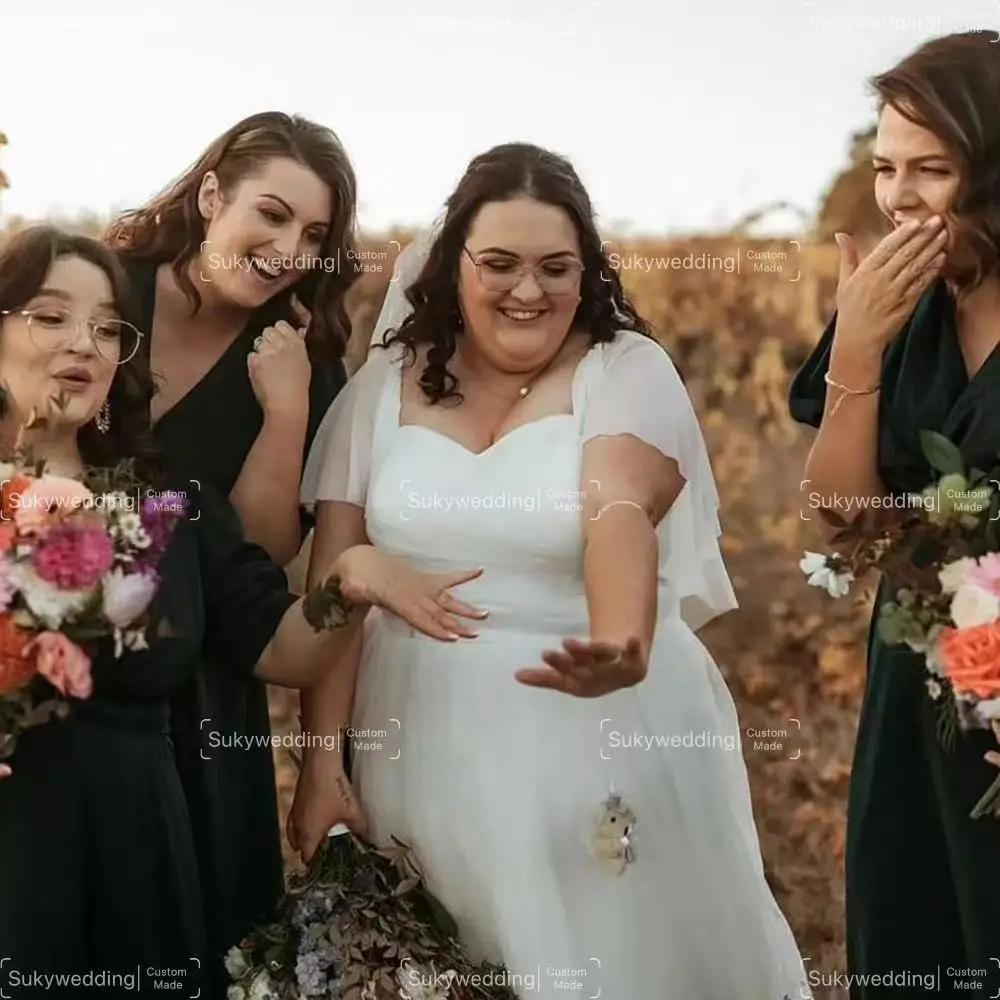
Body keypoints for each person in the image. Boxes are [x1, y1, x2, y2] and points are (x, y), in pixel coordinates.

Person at [293, 142, 810, 998]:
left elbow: (616, 509)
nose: (527, 291)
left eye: (554, 268)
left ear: (586, 271)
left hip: (594, 724)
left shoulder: (626, 372)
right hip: (418, 734)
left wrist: (622, 636)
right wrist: (321, 766)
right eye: (498, 264)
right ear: (452, 264)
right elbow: (336, 584)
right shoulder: (381, 388)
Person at [0, 226, 480, 998]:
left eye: (106, 326)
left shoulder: (170, 507)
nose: (81, 342)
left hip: (138, 864)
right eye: (50, 316)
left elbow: (282, 648)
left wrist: (349, 582)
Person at [102, 112, 357, 973]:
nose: (289, 247)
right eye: (272, 215)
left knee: (196, 934)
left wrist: (285, 412)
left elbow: (257, 550)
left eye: (314, 233)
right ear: (212, 195)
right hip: (48, 643)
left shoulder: (304, 355)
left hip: (202, 681)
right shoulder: (104, 290)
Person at [788, 32, 1000, 999]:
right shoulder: (888, 305)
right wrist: (859, 352)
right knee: (916, 921)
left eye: (934, 168)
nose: (899, 197)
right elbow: (841, 523)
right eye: (884, 167)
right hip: (918, 687)